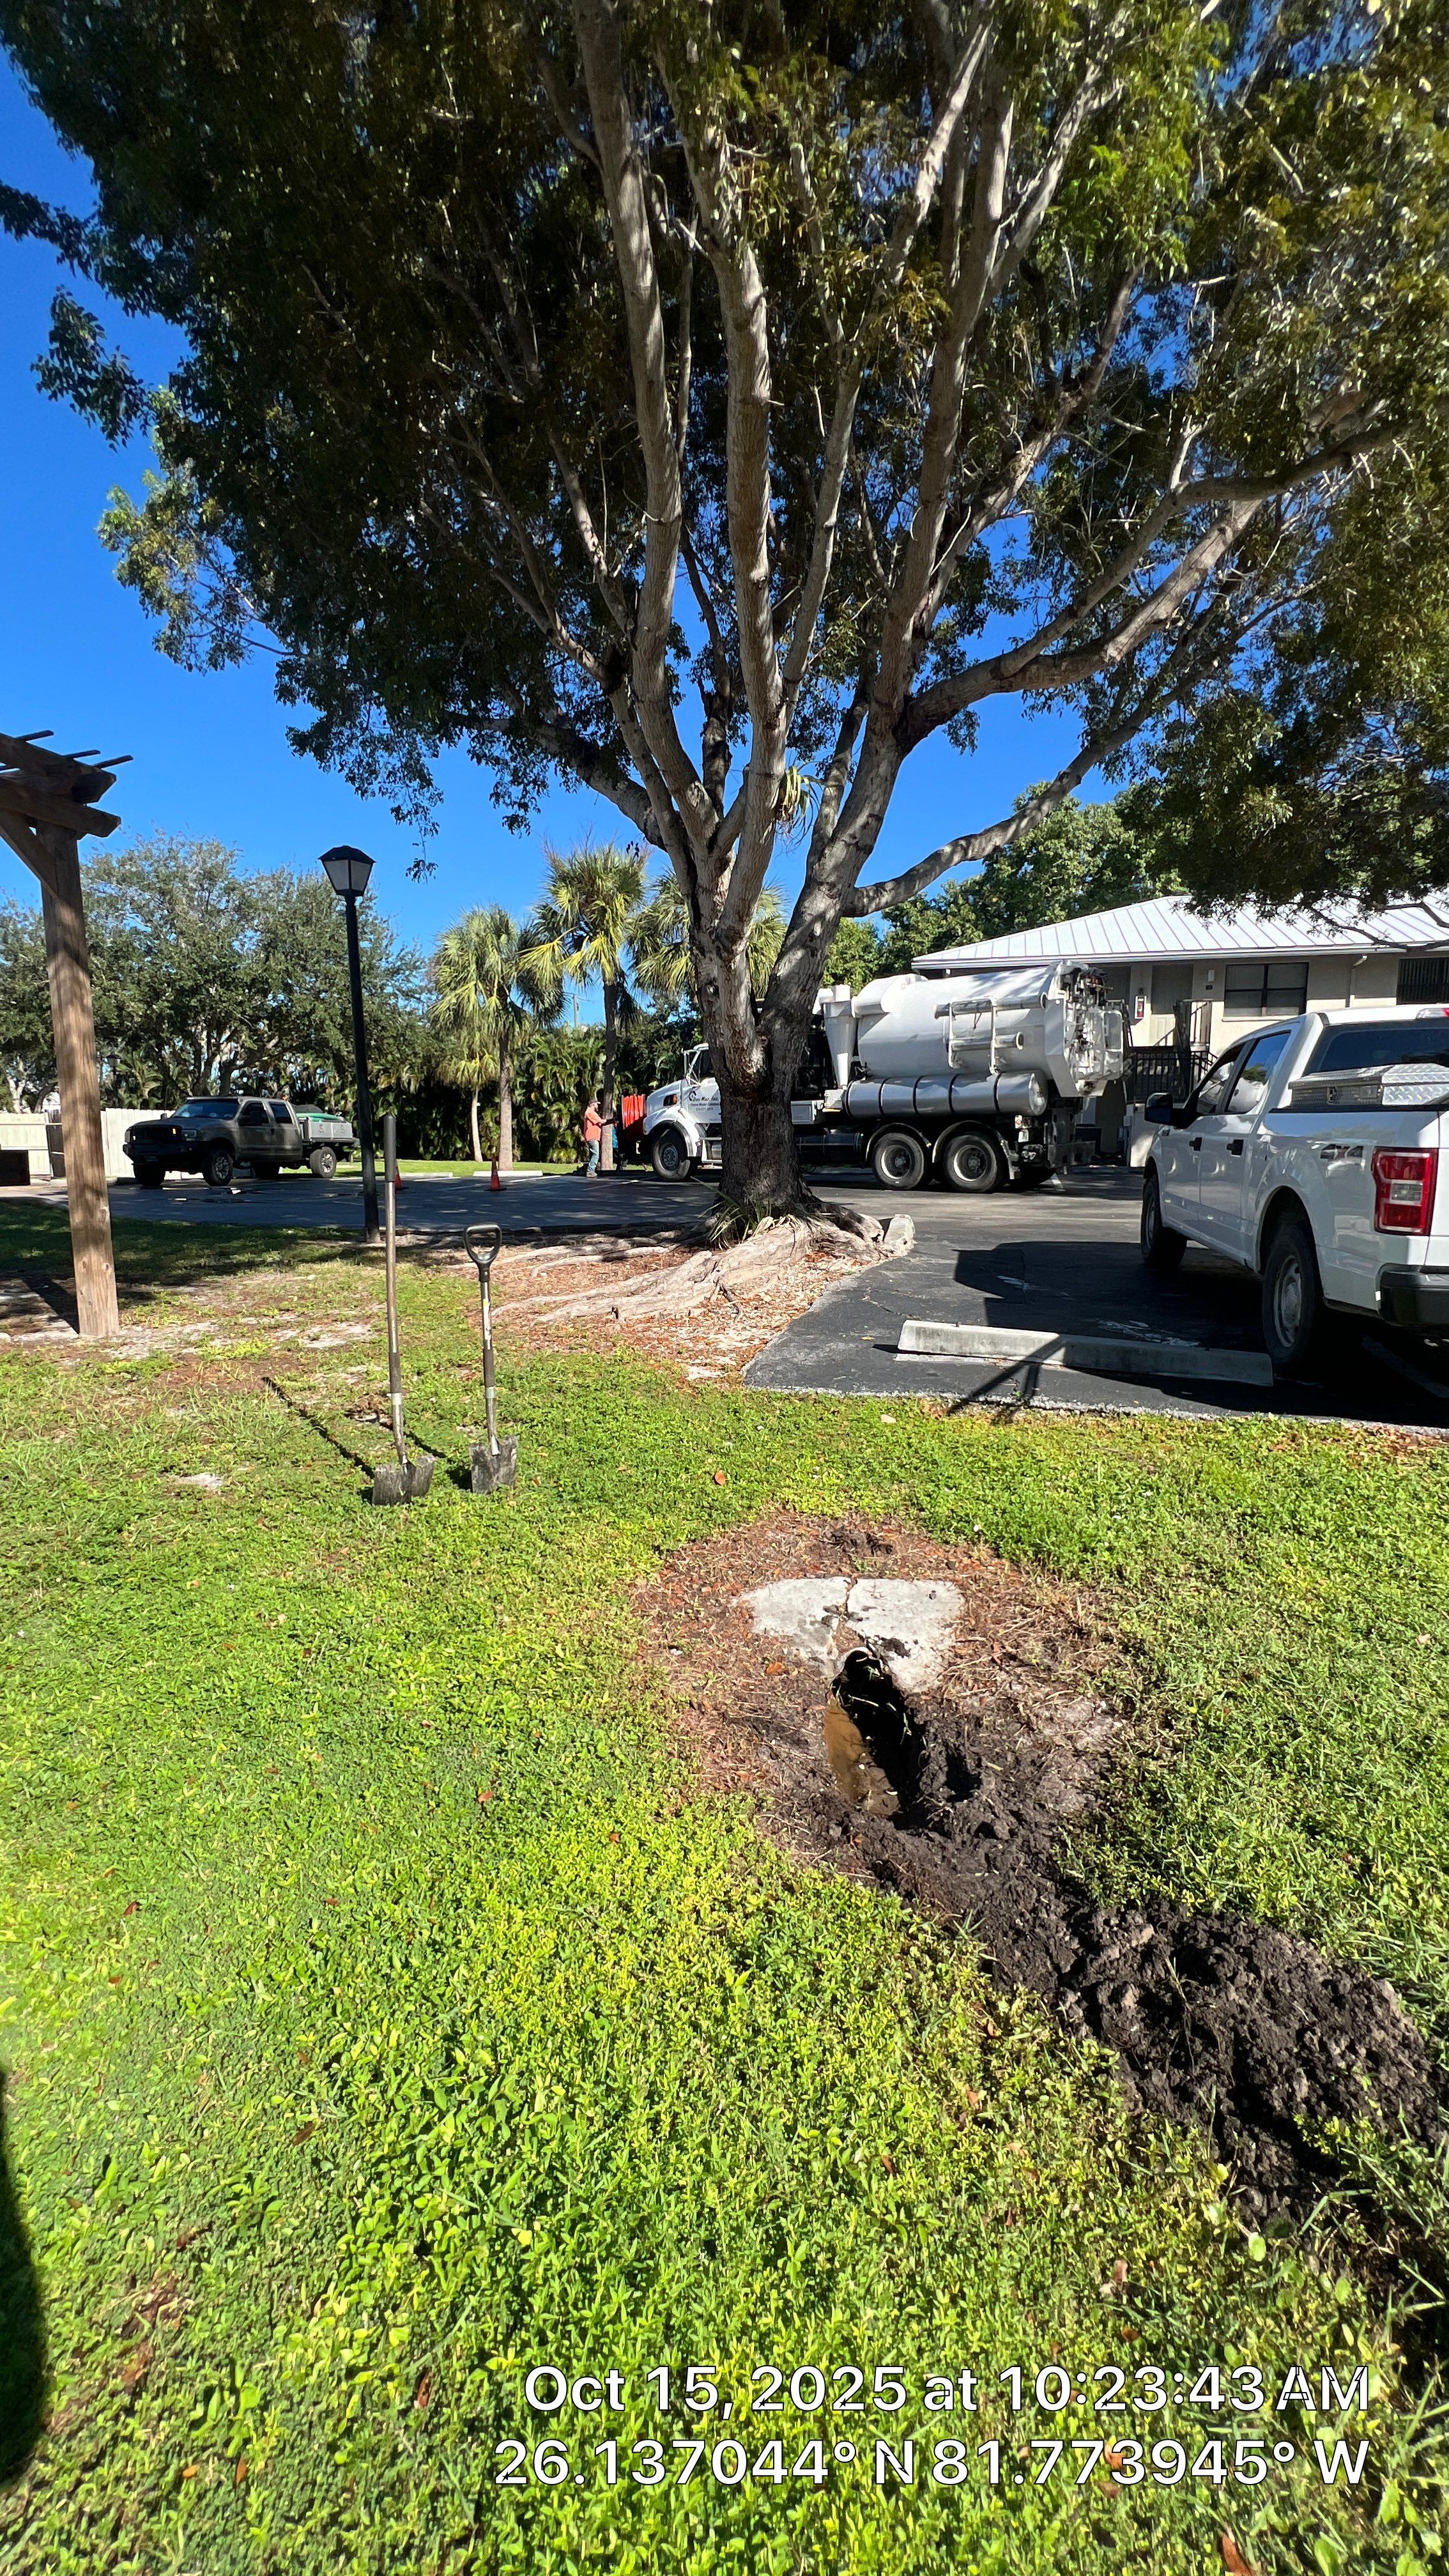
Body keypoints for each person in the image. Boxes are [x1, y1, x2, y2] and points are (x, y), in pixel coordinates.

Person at [582, 1092, 604, 1178]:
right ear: (593, 1104)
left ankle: (591, 1169)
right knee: (596, 1155)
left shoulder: (589, 1112)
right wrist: (611, 1120)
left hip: (591, 1136)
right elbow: (601, 1121)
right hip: (593, 1137)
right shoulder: (591, 1113)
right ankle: (590, 1171)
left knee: (593, 1155)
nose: (597, 1106)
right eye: (596, 1104)